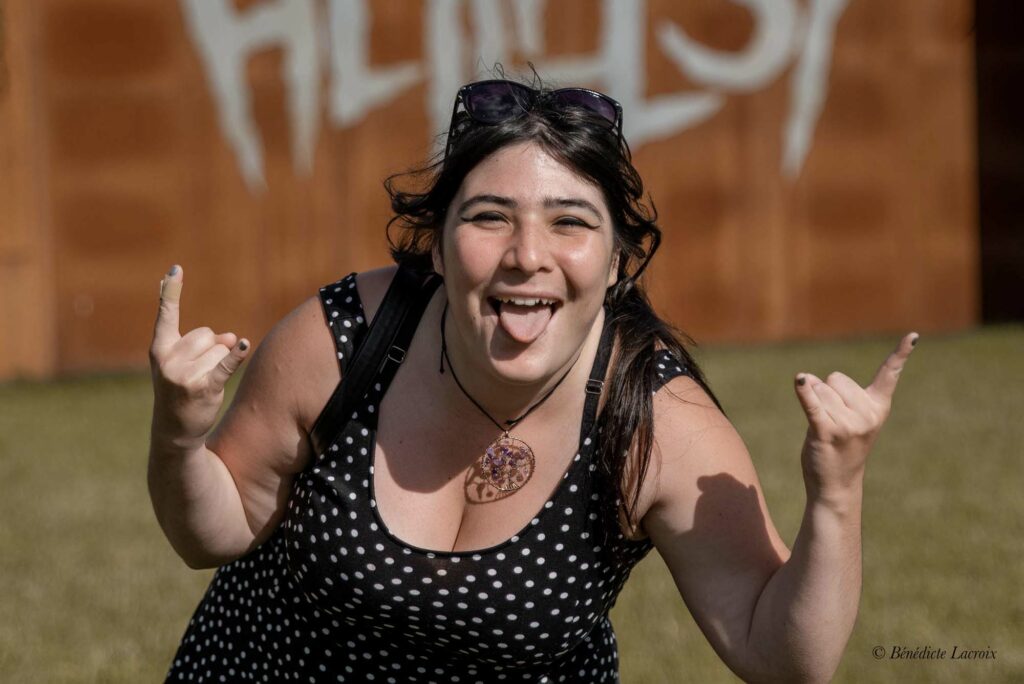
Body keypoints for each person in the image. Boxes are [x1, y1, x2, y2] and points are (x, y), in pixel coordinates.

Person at [149, 76, 918, 683]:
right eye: (488, 217)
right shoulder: (349, 334)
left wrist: (839, 492)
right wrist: (181, 436)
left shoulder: (652, 421)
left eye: (570, 221)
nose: (527, 254)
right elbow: (212, 533)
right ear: (440, 250)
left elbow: (783, 658)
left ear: (616, 262)